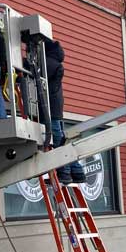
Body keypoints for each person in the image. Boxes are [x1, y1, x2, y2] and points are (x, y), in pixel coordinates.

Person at [45, 39, 85, 184]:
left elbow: (36, 74)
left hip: (50, 108)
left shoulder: (48, 63)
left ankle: (64, 173)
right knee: (62, 140)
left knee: (58, 141)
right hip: (56, 107)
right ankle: (77, 172)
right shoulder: (55, 62)